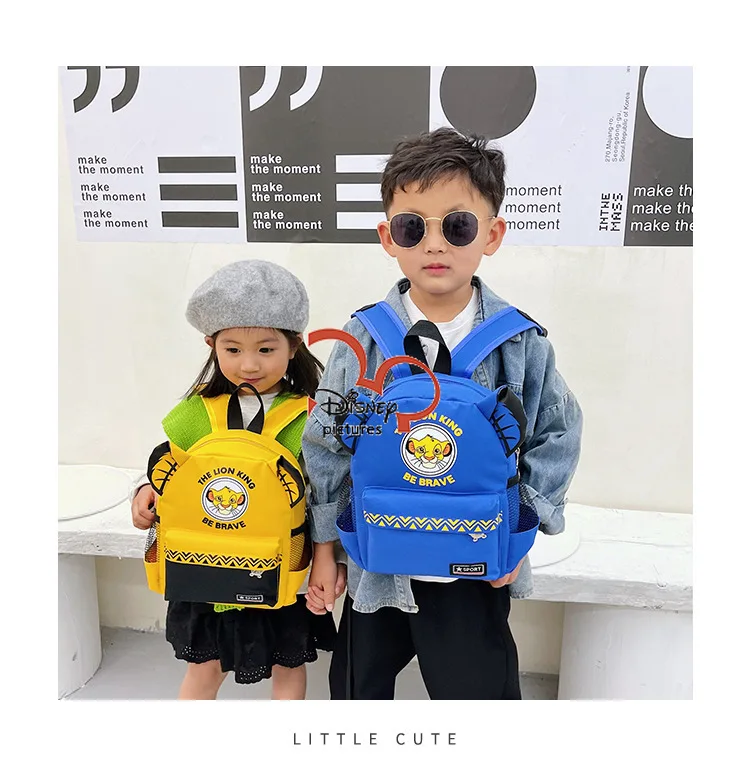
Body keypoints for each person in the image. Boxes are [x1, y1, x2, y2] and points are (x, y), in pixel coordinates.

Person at [303, 127, 583, 700]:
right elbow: (326, 442)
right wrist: (325, 549)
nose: (435, 245)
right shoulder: (363, 337)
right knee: (357, 693)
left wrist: (519, 530)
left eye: (457, 226)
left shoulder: (519, 343)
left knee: (478, 696)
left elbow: (557, 433)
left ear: (492, 234)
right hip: (376, 564)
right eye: (413, 227)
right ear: (388, 237)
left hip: (475, 566)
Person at [130, 259, 346, 700]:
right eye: (232, 349)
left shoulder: (309, 415)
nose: (249, 364)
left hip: (281, 570)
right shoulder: (196, 411)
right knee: (204, 669)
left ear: (294, 345)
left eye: (265, 349)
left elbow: (327, 491)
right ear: (212, 346)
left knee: (289, 665)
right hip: (203, 569)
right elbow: (171, 466)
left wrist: (331, 558)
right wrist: (145, 491)